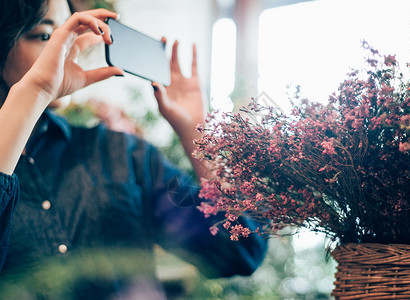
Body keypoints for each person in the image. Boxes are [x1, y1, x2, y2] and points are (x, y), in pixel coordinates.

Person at [0, 0, 267, 298]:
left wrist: (199, 137)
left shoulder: (122, 154)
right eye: (46, 36)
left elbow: (241, 251)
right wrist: (34, 90)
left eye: (68, 35)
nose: (63, 51)